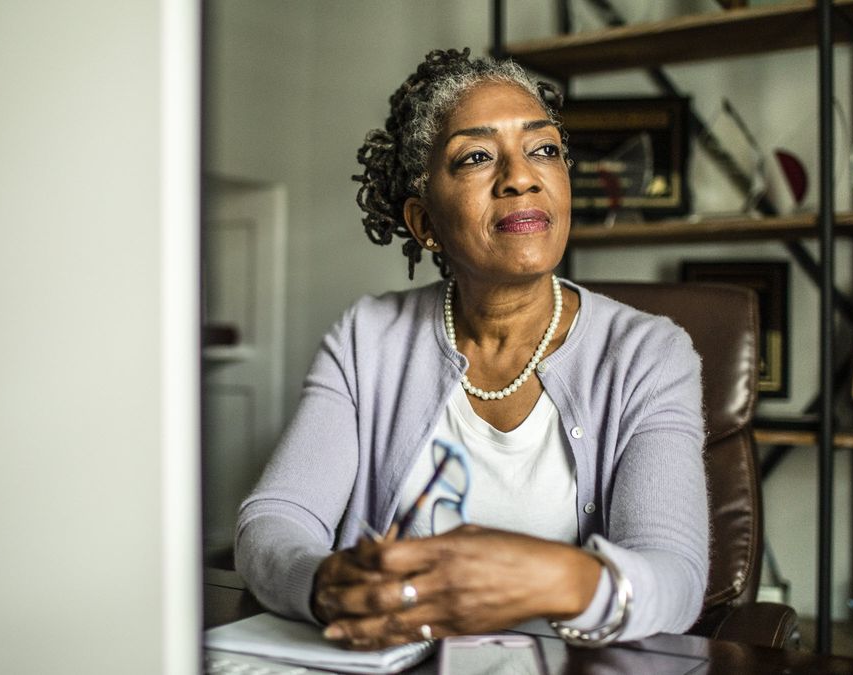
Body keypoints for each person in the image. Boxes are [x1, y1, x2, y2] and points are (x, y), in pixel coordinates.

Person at [235, 48, 708, 649]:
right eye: (478, 157)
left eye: (544, 150)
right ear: (424, 221)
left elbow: (678, 582)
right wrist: (324, 582)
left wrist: (550, 575)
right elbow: (272, 523)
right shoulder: (366, 338)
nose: (521, 176)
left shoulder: (649, 354)